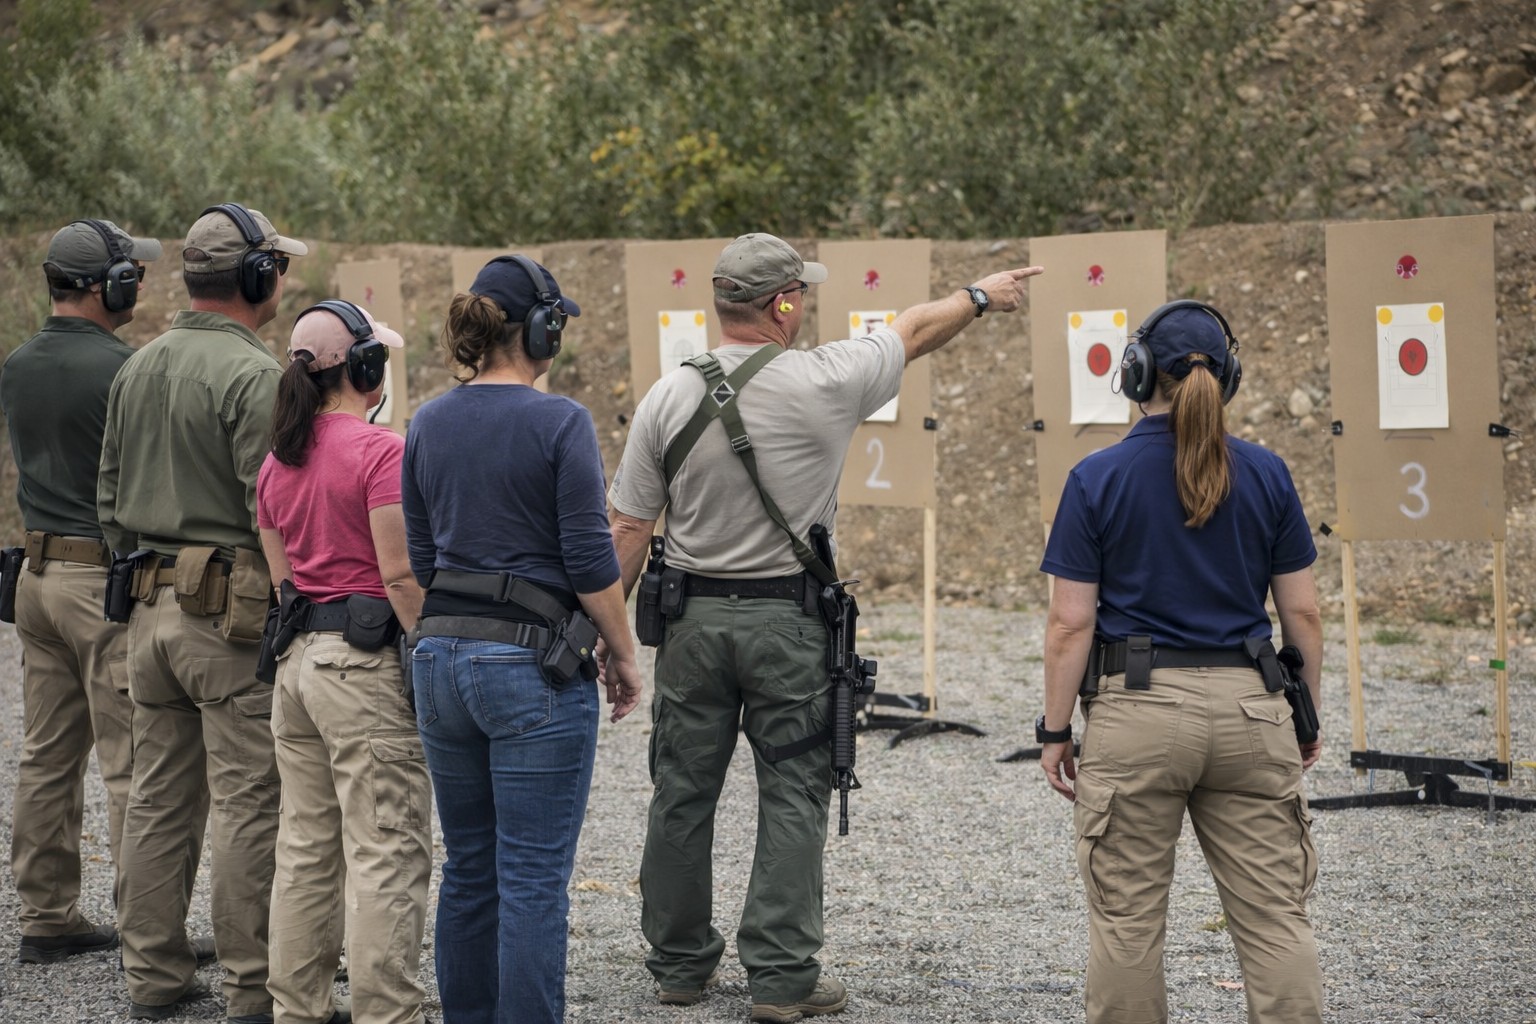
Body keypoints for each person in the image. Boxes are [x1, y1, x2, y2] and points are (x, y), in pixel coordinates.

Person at [606, 233, 1042, 1022]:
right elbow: (912, 329)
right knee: (793, 793)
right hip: (787, 621)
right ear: (781, 304)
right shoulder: (827, 380)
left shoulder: (667, 396)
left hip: (692, 623)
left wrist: (609, 643)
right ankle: (780, 977)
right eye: (798, 292)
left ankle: (678, 965)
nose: (803, 302)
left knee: (680, 792)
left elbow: (629, 529)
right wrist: (980, 296)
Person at [1037, 301, 1325, 1024]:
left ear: (1135, 375)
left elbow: (1070, 624)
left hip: (1136, 711)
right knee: (1273, 922)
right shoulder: (1267, 471)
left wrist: (1054, 729)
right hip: (1252, 709)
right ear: (1226, 378)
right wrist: (1305, 715)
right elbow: (1305, 614)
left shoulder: (1094, 477)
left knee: (1128, 925)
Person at [400, 255, 643, 1024]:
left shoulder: (427, 422)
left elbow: (423, 561)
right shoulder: (560, 421)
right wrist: (624, 651)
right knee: (533, 879)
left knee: (471, 871)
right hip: (530, 669)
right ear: (541, 330)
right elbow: (589, 557)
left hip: (437, 659)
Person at [98, 202, 307, 1023]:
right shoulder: (256, 377)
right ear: (257, 278)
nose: (284, 278)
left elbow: (109, 502)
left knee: (158, 798)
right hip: (229, 617)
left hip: (146, 612)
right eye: (278, 266)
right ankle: (255, 987)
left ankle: (152, 977)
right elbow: (275, 508)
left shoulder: (135, 366)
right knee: (252, 801)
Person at [256, 300, 426, 1024]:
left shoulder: (274, 462)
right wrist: (430, 649)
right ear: (362, 368)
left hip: (296, 667)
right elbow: (399, 576)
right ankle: (387, 1012)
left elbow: (281, 581)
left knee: (304, 850)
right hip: (361, 670)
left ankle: (298, 1009)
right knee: (386, 848)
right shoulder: (379, 452)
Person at [1, 220, 158, 964]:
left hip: (35, 578)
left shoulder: (18, 363)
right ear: (108, 286)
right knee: (131, 760)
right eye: (133, 273)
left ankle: (46, 914)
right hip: (100, 581)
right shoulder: (126, 370)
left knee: (47, 756)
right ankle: (145, 936)